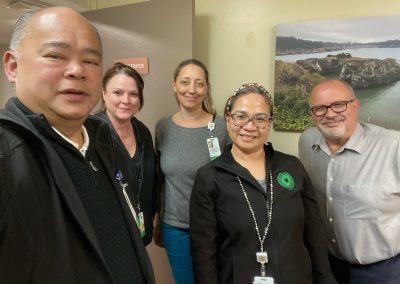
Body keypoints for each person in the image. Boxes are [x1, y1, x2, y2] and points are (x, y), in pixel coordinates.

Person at [0, 7, 155, 283]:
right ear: (13, 66)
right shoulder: (7, 152)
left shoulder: (104, 141)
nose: (77, 70)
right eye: (55, 56)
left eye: (90, 61)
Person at [190, 83, 335, 284]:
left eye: (260, 118)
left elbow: (314, 233)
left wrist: (325, 278)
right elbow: (203, 252)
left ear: (269, 122)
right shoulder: (209, 177)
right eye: (241, 116)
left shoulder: (292, 167)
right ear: (228, 117)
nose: (250, 126)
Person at [298, 78, 400, 284]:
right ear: (312, 115)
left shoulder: (394, 146)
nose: (329, 114)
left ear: (355, 105)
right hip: (326, 266)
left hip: (382, 272)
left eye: (338, 104)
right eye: (319, 108)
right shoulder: (307, 141)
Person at [154, 59, 229, 284]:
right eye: (185, 82)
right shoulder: (163, 127)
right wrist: (158, 218)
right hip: (175, 227)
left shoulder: (221, 127)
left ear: (206, 88)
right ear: (174, 85)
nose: (192, 90)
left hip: (215, 227)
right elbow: (160, 178)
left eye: (199, 83)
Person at [94, 63, 158, 246]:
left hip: (139, 233)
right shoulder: (89, 133)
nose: (126, 100)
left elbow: (150, 181)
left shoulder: (143, 132)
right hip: (106, 239)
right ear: (104, 94)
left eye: (133, 94)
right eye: (118, 93)